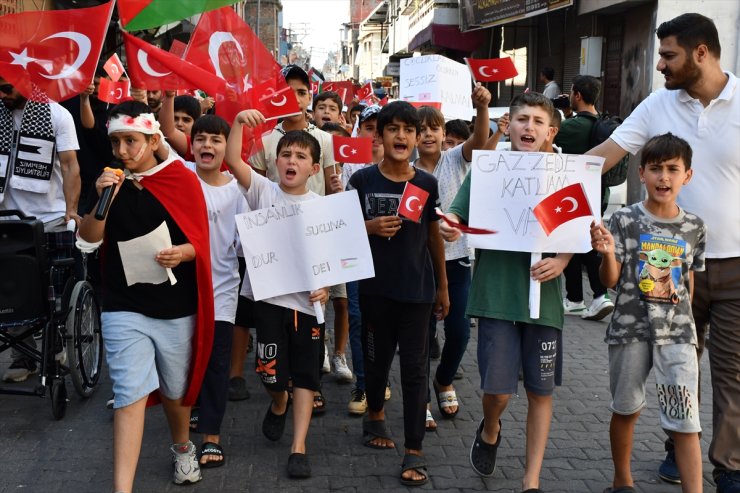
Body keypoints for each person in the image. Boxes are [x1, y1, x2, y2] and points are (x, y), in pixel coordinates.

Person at [586, 13, 740, 491]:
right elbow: (602, 158)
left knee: (732, 373)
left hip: (736, 265)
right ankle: (677, 447)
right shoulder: (658, 105)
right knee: (681, 362)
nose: (659, 65)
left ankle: (729, 468)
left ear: (701, 53)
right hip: (668, 267)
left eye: (669, 55)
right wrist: (534, 175)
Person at [77, 101, 214, 490]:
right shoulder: (109, 182)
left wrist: (183, 252)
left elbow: (201, 243)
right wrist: (101, 201)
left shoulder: (181, 180)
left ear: (154, 140)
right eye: (115, 142)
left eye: (130, 141)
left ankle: (183, 446)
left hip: (175, 307)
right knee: (129, 393)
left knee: (175, 390)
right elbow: (89, 239)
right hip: (123, 305)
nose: (121, 151)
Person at [443, 92, 572, 493]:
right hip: (496, 294)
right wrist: (450, 223)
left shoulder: (565, 173)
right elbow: (458, 212)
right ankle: (491, 426)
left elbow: (578, 226)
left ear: (551, 131)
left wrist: (564, 260)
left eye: (537, 121)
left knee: (540, 391)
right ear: (508, 125)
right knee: (496, 390)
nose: (528, 127)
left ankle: (530, 481)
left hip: (543, 295)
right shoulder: (489, 169)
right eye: (521, 119)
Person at [590, 133, 705, 493]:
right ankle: (622, 481)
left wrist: (690, 330)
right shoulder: (624, 219)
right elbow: (610, 280)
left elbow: (688, 283)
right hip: (630, 332)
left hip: (678, 338)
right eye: (656, 169)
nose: (664, 177)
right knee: (626, 409)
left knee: (685, 421)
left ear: (687, 175)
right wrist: (608, 253)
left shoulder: (695, 227)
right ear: (642, 173)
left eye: (673, 169)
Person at [347, 101, 450, 487]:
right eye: (394, 129)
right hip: (374, 291)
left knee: (413, 370)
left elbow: (433, 236)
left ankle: (414, 447)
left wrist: (442, 286)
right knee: (376, 363)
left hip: (417, 293)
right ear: (380, 136)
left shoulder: (425, 183)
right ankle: (375, 414)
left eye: (410, 129)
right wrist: (368, 227)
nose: (402, 136)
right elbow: (342, 232)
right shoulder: (362, 182)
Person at [226, 112, 329, 479]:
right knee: (270, 375)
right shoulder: (262, 191)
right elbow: (234, 160)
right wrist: (238, 122)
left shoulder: (321, 208)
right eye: (286, 154)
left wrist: (327, 287)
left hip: (306, 307)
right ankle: (278, 401)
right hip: (267, 302)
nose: (292, 161)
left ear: (314, 167)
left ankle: (298, 446)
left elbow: (331, 259)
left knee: (305, 376)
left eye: (301, 157)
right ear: (275, 160)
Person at [412, 85, 491, 430]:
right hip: (419, 264)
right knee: (422, 335)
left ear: (445, 134)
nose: (428, 134)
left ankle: (444, 379)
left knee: (459, 332)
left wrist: (482, 108)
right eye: (421, 129)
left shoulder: (457, 157)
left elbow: (480, 139)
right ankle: (421, 400)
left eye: (434, 128)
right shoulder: (408, 171)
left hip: (459, 261)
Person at [0, 77, 81, 382]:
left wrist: (71, 209)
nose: (2, 95)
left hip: (49, 220)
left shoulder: (57, 115)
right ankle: (24, 355)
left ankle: (55, 348)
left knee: (53, 295)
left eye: (7, 89)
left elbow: (71, 165)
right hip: (7, 222)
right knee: (10, 293)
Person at [183, 115, 246, 469]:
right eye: (201, 139)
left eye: (216, 140)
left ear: (226, 147)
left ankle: (211, 436)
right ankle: (190, 410)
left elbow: (243, 243)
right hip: (179, 289)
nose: (208, 145)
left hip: (221, 288)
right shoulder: (178, 177)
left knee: (217, 361)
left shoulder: (237, 191)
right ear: (191, 145)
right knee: (187, 359)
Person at [556, 75, 615, 321]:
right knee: (585, 243)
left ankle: (590, 297)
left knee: (574, 242)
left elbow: (545, 142)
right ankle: (580, 298)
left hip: (572, 195)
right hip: (598, 194)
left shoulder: (571, 127)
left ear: (577, 95)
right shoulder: (601, 125)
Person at [248, 65, 336, 196]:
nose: (295, 100)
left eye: (301, 93)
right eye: (287, 93)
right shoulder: (263, 141)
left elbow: (332, 193)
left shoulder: (326, 140)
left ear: (309, 98)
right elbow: (256, 192)